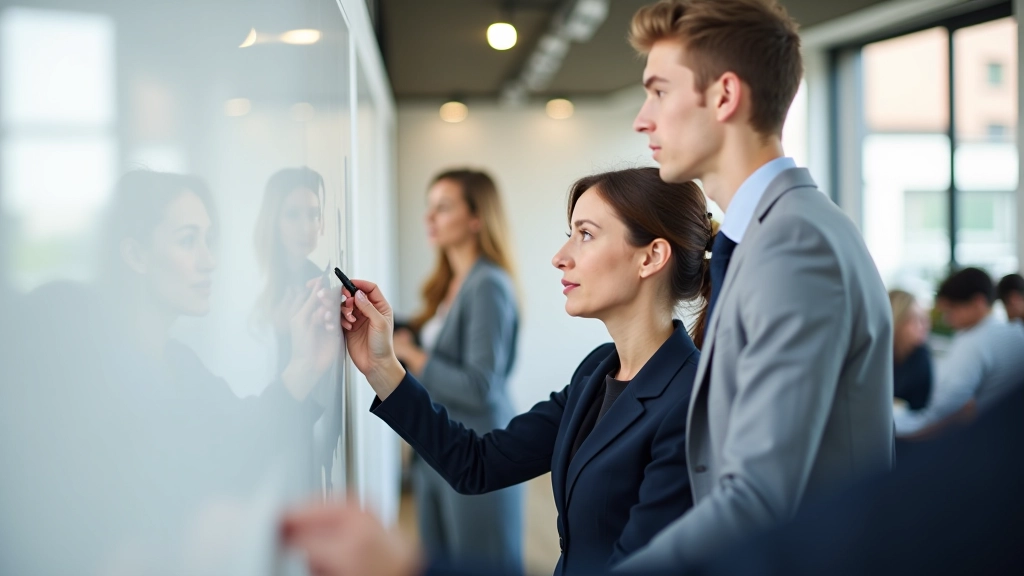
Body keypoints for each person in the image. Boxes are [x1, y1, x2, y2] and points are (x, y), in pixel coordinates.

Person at [330, 168, 717, 575]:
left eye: (585, 234)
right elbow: (476, 463)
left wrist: (409, 566)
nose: (560, 256)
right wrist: (382, 365)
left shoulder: (691, 403)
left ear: (651, 256)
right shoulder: (596, 372)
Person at [620, 0, 894, 568]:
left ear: (724, 95)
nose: (642, 118)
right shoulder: (765, 237)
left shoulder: (796, 245)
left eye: (659, 91)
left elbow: (758, 496)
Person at [391, 169, 524, 570]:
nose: (429, 219)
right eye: (428, 208)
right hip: (438, 453)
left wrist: (410, 355)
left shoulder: (488, 285)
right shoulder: (450, 284)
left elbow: (480, 385)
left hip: (477, 451)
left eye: (443, 208)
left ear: (476, 218)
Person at [894, 267, 1024, 437]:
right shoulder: (1015, 332)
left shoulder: (975, 342)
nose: (947, 320)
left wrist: (892, 425)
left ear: (978, 302)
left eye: (951, 310)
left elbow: (940, 414)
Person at [252, 166, 328, 375]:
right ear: (273, 220)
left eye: (314, 215)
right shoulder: (258, 279)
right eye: (292, 215)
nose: (306, 228)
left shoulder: (319, 284)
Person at [889, 290, 932, 410]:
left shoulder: (920, 355)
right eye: (915, 319)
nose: (924, 325)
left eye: (924, 319)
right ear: (896, 321)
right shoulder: (877, 354)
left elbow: (919, 407)